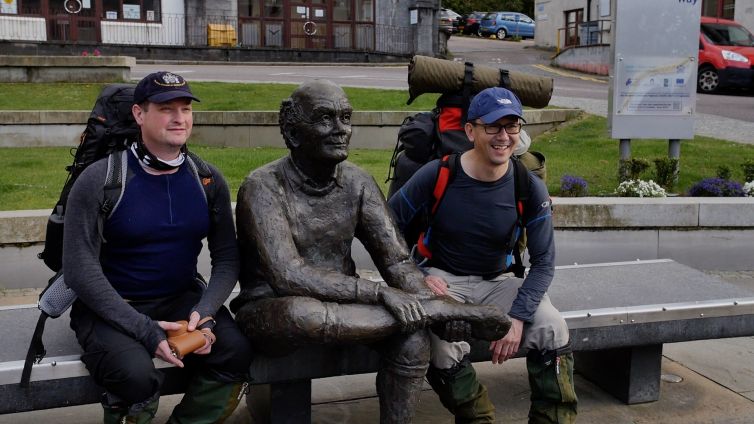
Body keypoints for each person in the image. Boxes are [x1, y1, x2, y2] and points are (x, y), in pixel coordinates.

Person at [230, 79, 512, 424]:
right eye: (324, 118)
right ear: (291, 130)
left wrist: (415, 294)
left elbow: (396, 261)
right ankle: (435, 311)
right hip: (274, 308)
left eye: (345, 118)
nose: (340, 130)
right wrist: (397, 298)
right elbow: (288, 274)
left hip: (350, 311)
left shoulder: (358, 182)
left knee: (412, 339)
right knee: (301, 314)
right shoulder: (261, 187)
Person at [62, 71, 252, 423]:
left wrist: (206, 311)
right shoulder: (101, 181)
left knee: (236, 352)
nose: (179, 118)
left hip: (180, 298)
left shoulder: (207, 178)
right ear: (139, 114)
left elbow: (226, 257)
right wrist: (144, 329)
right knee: (135, 377)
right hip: (110, 306)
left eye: (185, 108)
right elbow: (78, 269)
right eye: (166, 109)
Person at [388, 87, 577, 424]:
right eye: (493, 127)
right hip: (442, 281)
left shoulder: (527, 185)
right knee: (441, 346)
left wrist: (517, 318)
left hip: (499, 282)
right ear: (470, 131)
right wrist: (417, 277)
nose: (503, 137)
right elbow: (385, 231)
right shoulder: (438, 174)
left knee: (553, 327)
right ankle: (478, 417)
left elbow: (544, 262)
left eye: (512, 126)